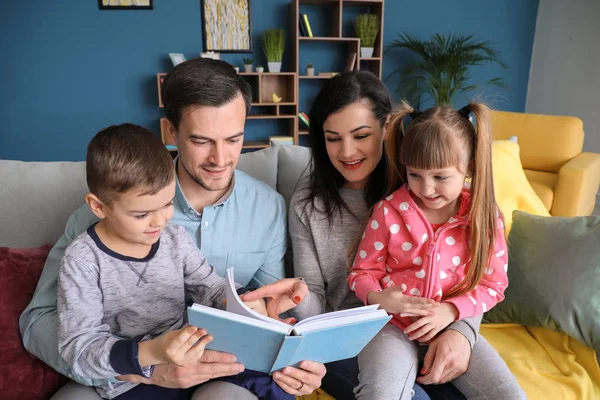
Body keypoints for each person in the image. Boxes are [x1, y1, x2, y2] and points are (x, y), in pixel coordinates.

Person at [19, 58, 324, 400]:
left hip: (220, 365)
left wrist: (284, 339)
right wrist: (144, 366)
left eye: (234, 139)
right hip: (126, 368)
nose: (220, 159)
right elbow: (39, 322)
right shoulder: (100, 219)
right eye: (201, 141)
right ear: (170, 132)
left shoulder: (266, 208)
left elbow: (249, 311)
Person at [243, 71, 480, 400]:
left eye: (361, 135)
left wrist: (462, 331)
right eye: (333, 138)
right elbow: (315, 295)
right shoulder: (308, 204)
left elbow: (470, 266)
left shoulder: (421, 185)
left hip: (428, 326)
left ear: (386, 129)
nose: (347, 151)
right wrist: (294, 299)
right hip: (349, 341)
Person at [57, 123, 293, 400]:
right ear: (98, 206)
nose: (160, 222)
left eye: (168, 204)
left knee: (271, 380)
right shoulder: (82, 260)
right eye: (142, 214)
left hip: (195, 358)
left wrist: (242, 300)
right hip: (136, 375)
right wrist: (153, 352)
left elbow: (210, 287)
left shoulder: (174, 238)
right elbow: (79, 347)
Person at [347, 101, 526, 399]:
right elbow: (361, 273)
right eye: (415, 175)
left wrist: (452, 311)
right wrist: (378, 297)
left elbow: (492, 285)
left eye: (440, 177)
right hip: (391, 327)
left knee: (510, 395)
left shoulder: (483, 216)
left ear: (469, 167)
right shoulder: (388, 212)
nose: (426, 189)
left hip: (452, 327)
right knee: (380, 394)